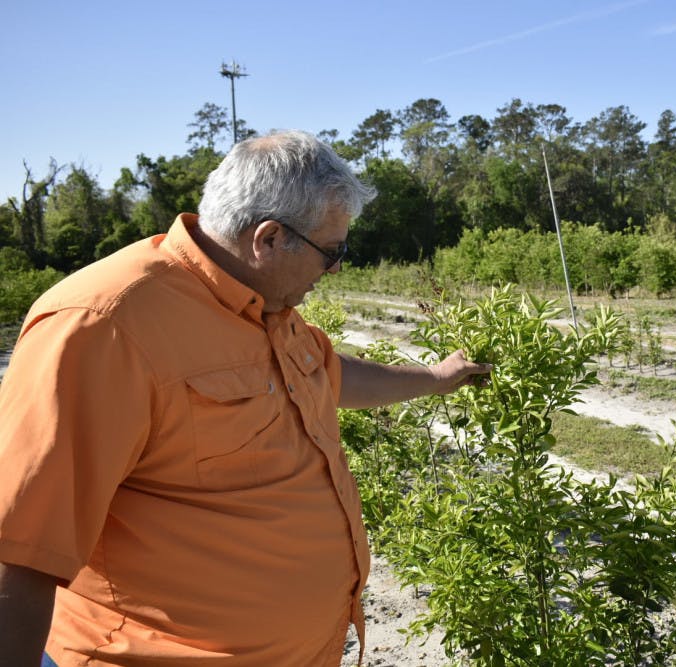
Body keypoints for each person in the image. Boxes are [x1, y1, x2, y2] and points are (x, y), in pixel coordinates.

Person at [0, 130, 491, 666]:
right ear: (270, 238)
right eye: (332, 251)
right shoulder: (104, 324)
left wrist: (437, 378)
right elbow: (18, 552)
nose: (337, 269)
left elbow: (330, 375)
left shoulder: (263, 304)